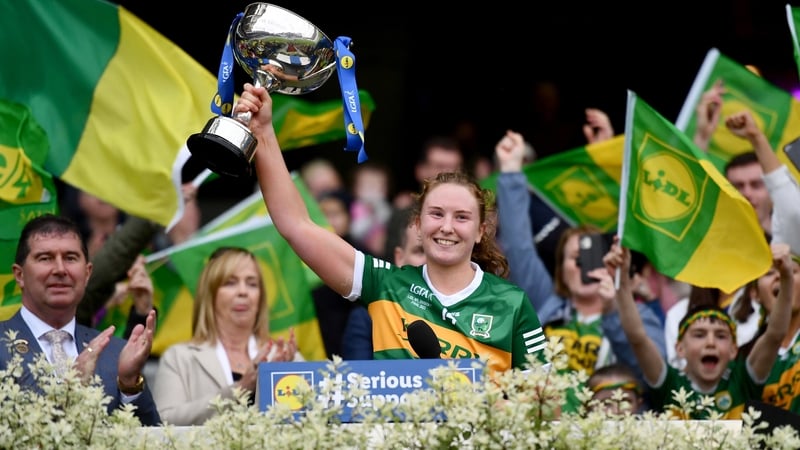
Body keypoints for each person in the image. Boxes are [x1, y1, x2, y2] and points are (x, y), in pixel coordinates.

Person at [240, 83, 547, 373]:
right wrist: (264, 133)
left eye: (462, 217)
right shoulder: (385, 285)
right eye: (436, 214)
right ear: (418, 224)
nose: (447, 227)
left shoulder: (513, 302)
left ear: (482, 230)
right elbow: (295, 224)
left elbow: (550, 397)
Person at [494, 130, 665, 380]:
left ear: (612, 263)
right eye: (575, 258)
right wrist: (510, 172)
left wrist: (613, 311)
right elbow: (519, 248)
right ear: (561, 270)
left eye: (593, 256)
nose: (585, 266)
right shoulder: (545, 304)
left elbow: (656, 378)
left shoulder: (637, 316)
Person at [0, 214, 160, 426]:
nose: (60, 269)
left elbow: (152, 437)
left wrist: (129, 384)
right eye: (45, 258)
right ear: (19, 275)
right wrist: (70, 392)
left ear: (87, 274)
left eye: (70, 258)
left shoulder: (115, 352)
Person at [608, 239, 793, 419]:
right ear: (680, 348)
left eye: (721, 336)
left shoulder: (743, 380)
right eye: (699, 335)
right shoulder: (669, 384)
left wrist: (786, 276)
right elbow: (637, 338)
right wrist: (622, 279)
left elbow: (775, 335)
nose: (710, 342)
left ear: (733, 349)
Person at [153, 246, 302, 425]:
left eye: (252, 284)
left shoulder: (285, 357)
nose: (243, 291)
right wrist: (240, 389)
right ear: (210, 295)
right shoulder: (179, 357)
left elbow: (316, 417)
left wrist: (286, 373)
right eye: (230, 283)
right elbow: (163, 421)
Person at [341, 205, 427, 360]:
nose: (429, 261)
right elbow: (358, 374)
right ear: (399, 257)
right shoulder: (366, 318)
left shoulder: (470, 312)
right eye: (420, 251)